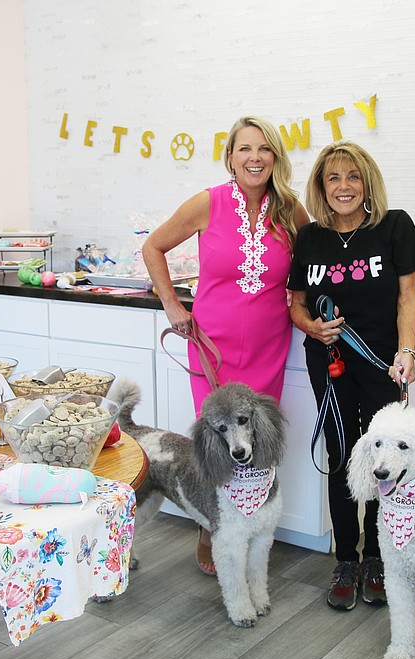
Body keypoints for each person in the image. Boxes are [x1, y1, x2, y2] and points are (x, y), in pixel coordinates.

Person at [143, 116, 310, 575]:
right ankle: (210, 526)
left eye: (264, 149)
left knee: (257, 442)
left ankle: (253, 527)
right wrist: (172, 305)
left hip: (268, 348)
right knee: (217, 442)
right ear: (231, 156)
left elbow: (312, 261)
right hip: (210, 348)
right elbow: (153, 247)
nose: (255, 158)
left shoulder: (290, 210)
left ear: (275, 157)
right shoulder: (207, 203)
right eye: (245, 149)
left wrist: (308, 305)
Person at [288, 140, 415, 609]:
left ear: (367, 183)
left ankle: (379, 558)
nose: (344, 186)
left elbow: (408, 297)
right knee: (342, 454)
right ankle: (346, 559)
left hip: (382, 364)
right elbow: (296, 304)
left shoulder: (394, 227)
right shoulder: (310, 239)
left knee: (385, 459)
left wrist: (407, 350)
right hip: (329, 365)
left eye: (353, 176)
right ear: (321, 186)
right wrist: (312, 327)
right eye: (333, 177)